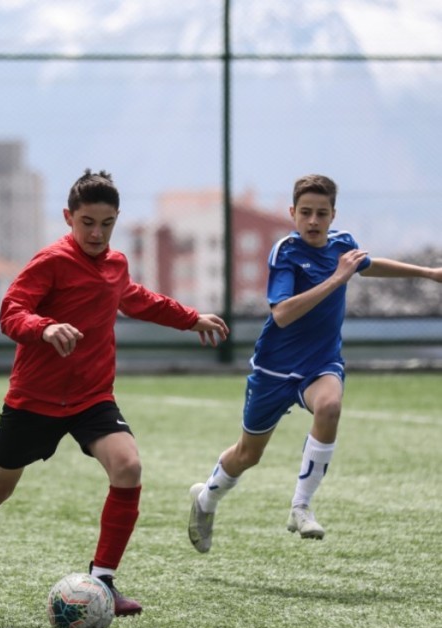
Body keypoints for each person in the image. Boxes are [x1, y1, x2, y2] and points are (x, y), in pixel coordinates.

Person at [0, 169, 229, 616]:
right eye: (87, 222)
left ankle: (103, 580)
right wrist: (44, 327)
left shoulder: (116, 264)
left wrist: (191, 318)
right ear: (68, 217)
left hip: (92, 397)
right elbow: (11, 311)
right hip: (35, 398)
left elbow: (136, 298)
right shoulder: (50, 261)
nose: (97, 233)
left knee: (128, 466)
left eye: (106, 223)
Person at [188, 173, 442, 553]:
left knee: (330, 406)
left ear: (332, 215)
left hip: (320, 364)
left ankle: (301, 506)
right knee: (248, 454)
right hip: (274, 370)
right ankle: (206, 499)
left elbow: (368, 265)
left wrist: (428, 273)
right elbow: (282, 314)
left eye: (321, 213)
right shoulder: (285, 252)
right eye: (305, 212)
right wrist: (337, 279)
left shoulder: (342, 245)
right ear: (292, 213)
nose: (312, 220)